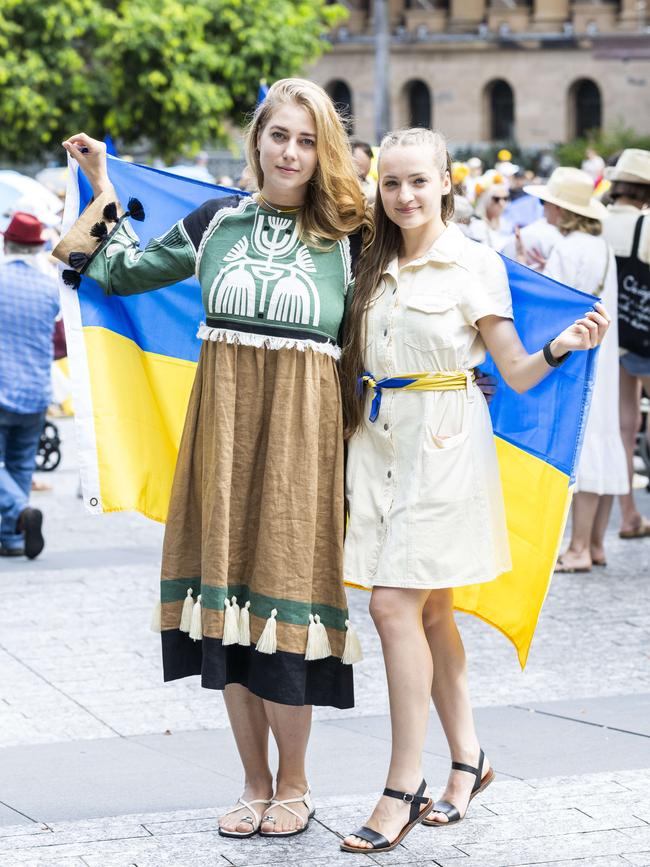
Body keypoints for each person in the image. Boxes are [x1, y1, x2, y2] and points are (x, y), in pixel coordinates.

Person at [56, 78, 368, 839]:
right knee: (226, 610)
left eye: (306, 139)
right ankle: (253, 782)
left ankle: (295, 783)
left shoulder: (353, 238)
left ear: (322, 149)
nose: (291, 152)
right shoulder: (215, 222)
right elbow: (121, 270)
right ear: (257, 139)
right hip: (221, 434)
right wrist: (101, 183)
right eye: (279, 135)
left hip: (305, 445)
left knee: (286, 603)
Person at [338, 128, 610, 854]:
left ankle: (403, 782)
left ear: (444, 184)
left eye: (417, 181)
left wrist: (563, 346)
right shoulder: (368, 259)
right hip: (378, 441)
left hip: (447, 444)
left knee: (392, 603)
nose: (403, 196)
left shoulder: (474, 262)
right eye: (390, 183)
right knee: (430, 613)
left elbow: (515, 370)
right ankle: (470, 759)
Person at [522, 167, 628, 571]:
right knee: (603, 441)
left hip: (578, 358)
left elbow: (547, 303)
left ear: (562, 209)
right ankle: (596, 543)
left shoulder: (569, 248)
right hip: (603, 356)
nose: (544, 208)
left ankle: (579, 547)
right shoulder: (600, 246)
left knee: (582, 448)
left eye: (548, 201)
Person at [0, 213, 59, 559]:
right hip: (36, 392)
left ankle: (19, 513)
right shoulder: (50, 285)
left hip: (2, 388)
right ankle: (10, 537)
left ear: (7, 243)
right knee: (21, 465)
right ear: (37, 246)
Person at [601, 149, 650, 538]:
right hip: (645, 334)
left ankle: (629, 512)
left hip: (609, 333)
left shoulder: (596, 222)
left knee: (623, 423)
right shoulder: (646, 225)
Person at [467, 179, 512, 250]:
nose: (502, 203)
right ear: (486, 199)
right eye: (496, 199)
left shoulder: (504, 222)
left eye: (505, 198)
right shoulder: (477, 224)